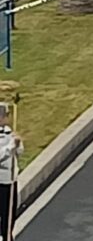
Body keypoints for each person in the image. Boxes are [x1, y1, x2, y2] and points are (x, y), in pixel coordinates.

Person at [0, 102, 22, 241]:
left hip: (10, 182)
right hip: (0, 181)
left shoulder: (10, 133)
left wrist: (17, 145)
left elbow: (19, 153)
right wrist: (10, 147)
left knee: (9, 216)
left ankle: (8, 237)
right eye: (5, 115)